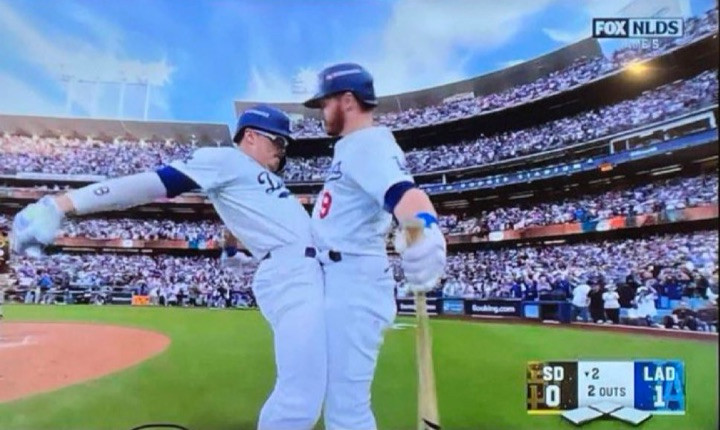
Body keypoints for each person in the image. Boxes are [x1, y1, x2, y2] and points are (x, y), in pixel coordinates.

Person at [10, 105, 327, 430]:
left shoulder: (249, 176)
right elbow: (153, 183)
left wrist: (233, 250)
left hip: (305, 271)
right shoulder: (226, 159)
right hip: (293, 272)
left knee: (319, 385)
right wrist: (62, 203)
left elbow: (245, 216)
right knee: (301, 394)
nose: (283, 152)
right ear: (251, 136)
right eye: (279, 142)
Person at [303, 63, 447, 430]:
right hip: (340, 277)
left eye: (325, 102)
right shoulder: (354, 146)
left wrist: (425, 228)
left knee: (346, 408)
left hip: (352, 280)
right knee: (338, 400)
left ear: (347, 101)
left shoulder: (367, 144)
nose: (322, 111)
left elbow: (406, 195)